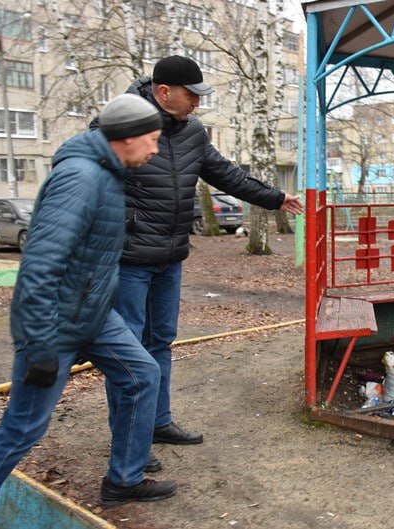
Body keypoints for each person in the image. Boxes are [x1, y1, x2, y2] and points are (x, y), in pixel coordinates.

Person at [0, 94, 176, 529]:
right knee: (21, 430)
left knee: (143, 374)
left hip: (94, 316)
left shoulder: (108, 173)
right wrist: (41, 344)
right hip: (56, 324)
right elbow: (40, 267)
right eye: (153, 140)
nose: (156, 149)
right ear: (125, 138)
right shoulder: (80, 177)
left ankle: (124, 478)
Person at [94, 55, 303, 465]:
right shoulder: (120, 124)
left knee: (160, 342)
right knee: (129, 352)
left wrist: (276, 198)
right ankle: (129, 442)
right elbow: (90, 178)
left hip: (170, 257)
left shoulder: (192, 132)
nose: (197, 103)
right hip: (130, 258)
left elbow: (227, 174)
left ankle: (157, 422)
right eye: (192, 95)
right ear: (164, 91)